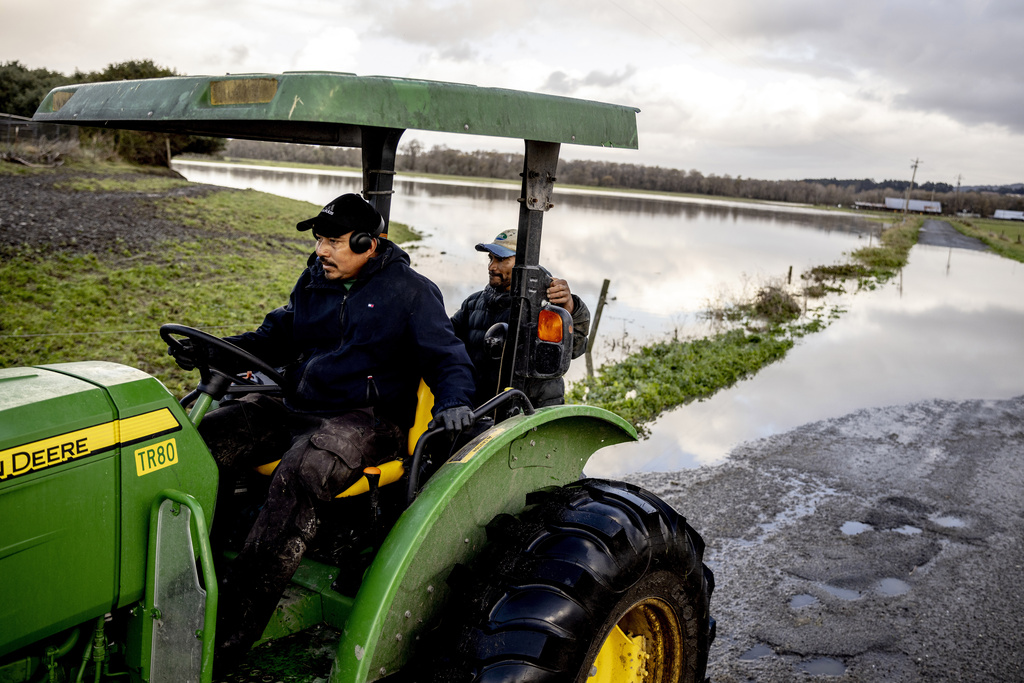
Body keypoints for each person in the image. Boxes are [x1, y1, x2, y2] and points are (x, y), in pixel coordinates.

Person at [171, 193, 476, 666]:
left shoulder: (412, 292)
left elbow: (448, 358)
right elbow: (273, 337)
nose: (322, 252)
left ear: (367, 242)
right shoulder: (314, 282)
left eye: (333, 241)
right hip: (298, 405)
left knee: (304, 469)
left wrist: (455, 402)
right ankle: (180, 576)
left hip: (370, 421)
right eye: (319, 240)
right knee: (201, 440)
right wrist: (217, 352)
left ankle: (228, 634)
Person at [450, 228, 591, 407]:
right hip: (480, 411)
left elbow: (574, 350)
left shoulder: (547, 309)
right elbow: (446, 343)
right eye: (491, 258)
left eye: (501, 259)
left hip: (531, 415)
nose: (491, 267)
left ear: (524, 263)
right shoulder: (473, 304)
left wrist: (570, 308)